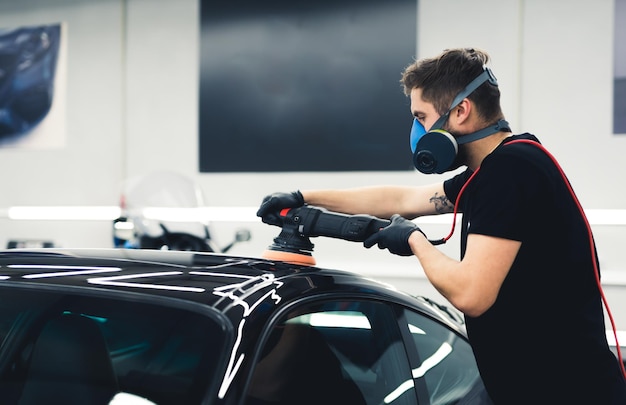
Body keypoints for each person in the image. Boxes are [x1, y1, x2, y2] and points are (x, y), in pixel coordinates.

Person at [256, 48, 626, 404]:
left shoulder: (510, 173)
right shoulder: (496, 169)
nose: (417, 130)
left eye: (421, 116)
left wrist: (415, 240)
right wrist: (304, 195)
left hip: (565, 392)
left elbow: (471, 295)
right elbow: (401, 201)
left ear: (461, 111)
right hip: (534, 386)